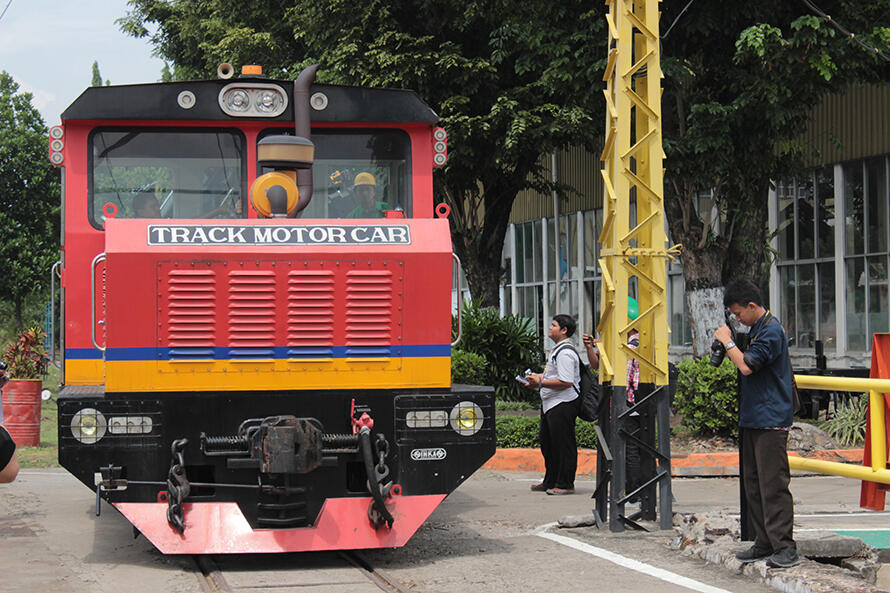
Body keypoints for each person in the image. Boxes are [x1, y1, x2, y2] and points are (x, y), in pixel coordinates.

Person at [715, 278, 798, 568]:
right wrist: (730, 342)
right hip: (753, 417)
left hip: (771, 420)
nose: (737, 319)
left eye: (738, 313)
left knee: (773, 485)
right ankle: (765, 542)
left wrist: (727, 341)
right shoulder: (756, 329)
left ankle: (785, 548)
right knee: (754, 485)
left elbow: (747, 365)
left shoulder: (771, 330)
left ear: (752, 306)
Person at [526, 314, 581, 495]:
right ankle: (551, 480)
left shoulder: (565, 352)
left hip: (562, 403)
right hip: (551, 403)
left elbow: (566, 381)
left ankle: (565, 483)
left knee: (563, 445)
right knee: (549, 444)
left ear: (564, 330)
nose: (549, 328)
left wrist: (539, 383)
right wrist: (537, 378)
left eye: (554, 325)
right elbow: (553, 376)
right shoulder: (558, 350)